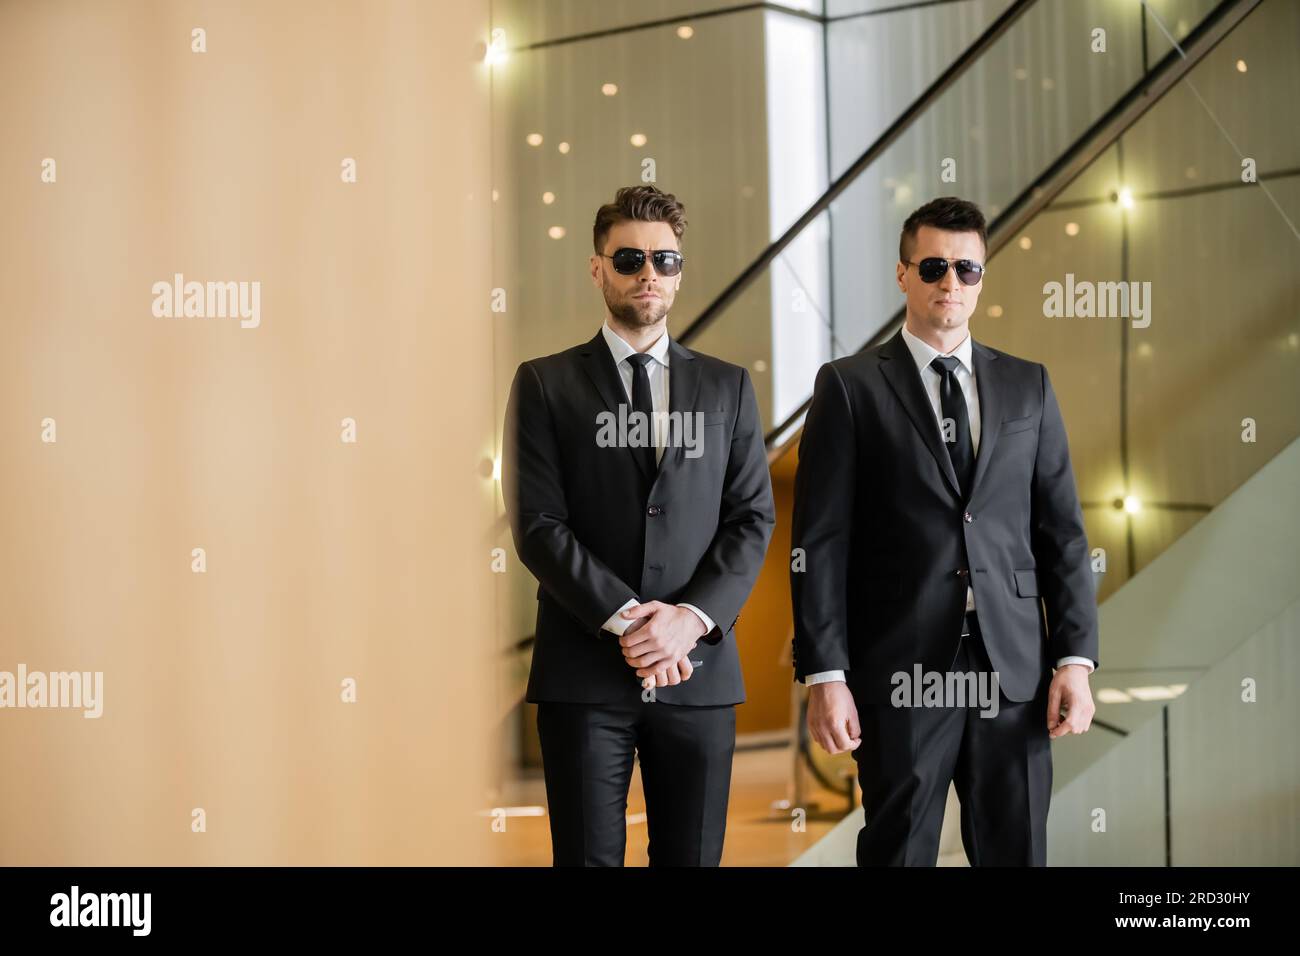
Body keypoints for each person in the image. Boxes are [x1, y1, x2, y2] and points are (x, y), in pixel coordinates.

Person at [790, 196, 1098, 866]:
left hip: (1013, 669)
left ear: (982, 276)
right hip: (899, 667)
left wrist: (1074, 660)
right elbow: (819, 544)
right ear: (903, 274)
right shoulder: (849, 388)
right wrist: (825, 673)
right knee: (899, 852)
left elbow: (1063, 535)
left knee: (1017, 852)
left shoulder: (1028, 386)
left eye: (966, 269)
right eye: (933, 267)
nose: (950, 283)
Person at [503, 184, 775, 866]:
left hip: (700, 670)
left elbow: (751, 519)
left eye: (665, 259)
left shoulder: (727, 388)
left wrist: (689, 620)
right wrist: (633, 623)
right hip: (584, 673)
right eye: (629, 258)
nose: (649, 273)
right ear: (598, 268)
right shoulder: (543, 384)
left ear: (681, 270)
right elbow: (538, 524)